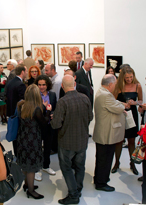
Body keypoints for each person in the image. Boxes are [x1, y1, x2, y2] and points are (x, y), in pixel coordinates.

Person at [51, 75, 93, 204]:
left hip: (66, 142)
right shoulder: (85, 98)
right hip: (82, 140)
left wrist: (54, 118)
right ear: (74, 84)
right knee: (80, 166)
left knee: (66, 168)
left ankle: (73, 195)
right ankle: (78, 189)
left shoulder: (63, 102)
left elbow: (56, 125)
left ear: (63, 86)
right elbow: (90, 117)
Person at [16, 84, 52, 200]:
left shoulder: (21, 105)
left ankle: (27, 184)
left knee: (26, 164)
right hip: (33, 140)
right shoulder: (36, 109)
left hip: (22, 139)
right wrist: (47, 111)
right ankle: (31, 191)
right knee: (31, 166)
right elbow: (44, 123)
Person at [93, 74, 126, 192]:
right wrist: (122, 105)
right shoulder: (106, 95)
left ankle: (99, 179)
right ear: (110, 84)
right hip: (106, 134)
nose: (115, 86)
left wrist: (118, 104)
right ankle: (101, 183)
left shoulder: (102, 93)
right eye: (115, 84)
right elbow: (118, 108)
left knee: (102, 158)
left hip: (104, 132)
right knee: (105, 159)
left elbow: (115, 104)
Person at [111, 66, 143, 175]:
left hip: (132, 115)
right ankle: (117, 162)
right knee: (119, 140)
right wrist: (122, 104)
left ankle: (132, 163)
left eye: (131, 77)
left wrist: (135, 103)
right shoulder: (119, 86)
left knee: (131, 140)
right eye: (127, 78)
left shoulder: (138, 86)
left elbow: (141, 101)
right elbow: (113, 101)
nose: (129, 79)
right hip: (121, 114)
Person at [34, 75, 57, 181]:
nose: (41, 87)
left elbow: (55, 108)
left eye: (43, 84)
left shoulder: (52, 95)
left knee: (47, 147)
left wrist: (52, 114)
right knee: (38, 148)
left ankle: (46, 166)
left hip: (49, 125)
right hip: (38, 126)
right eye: (39, 85)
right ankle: (37, 169)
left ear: (47, 85)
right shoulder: (34, 96)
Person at [4, 64, 27, 155]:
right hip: (18, 114)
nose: (26, 73)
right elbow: (23, 101)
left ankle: (16, 154)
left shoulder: (10, 82)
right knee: (20, 135)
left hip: (11, 113)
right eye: (25, 71)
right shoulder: (21, 84)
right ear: (22, 72)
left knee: (14, 135)